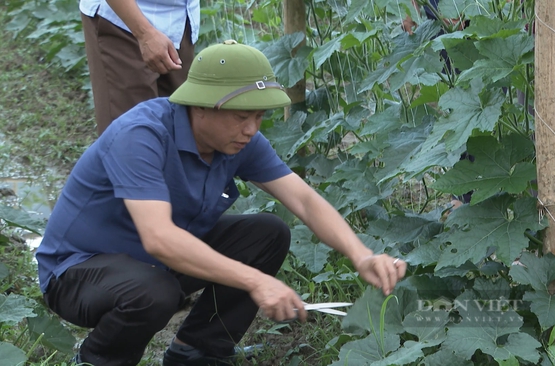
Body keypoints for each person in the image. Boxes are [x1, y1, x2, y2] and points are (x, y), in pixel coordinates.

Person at [35, 41, 407, 366]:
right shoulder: (142, 135)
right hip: (77, 274)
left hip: (153, 265)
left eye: (259, 116)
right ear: (200, 106)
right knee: (153, 292)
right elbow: (159, 239)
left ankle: (196, 351)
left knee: (267, 233)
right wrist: (256, 281)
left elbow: (305, 201)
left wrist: (361, 255)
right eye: (241, 116)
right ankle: (97, 360)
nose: (252, 129)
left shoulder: (239, 141)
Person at [80, 0, 199, 135]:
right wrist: (144, 34)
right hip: (124, 22)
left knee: (179, 132)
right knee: (132, 135)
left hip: (181, 20)